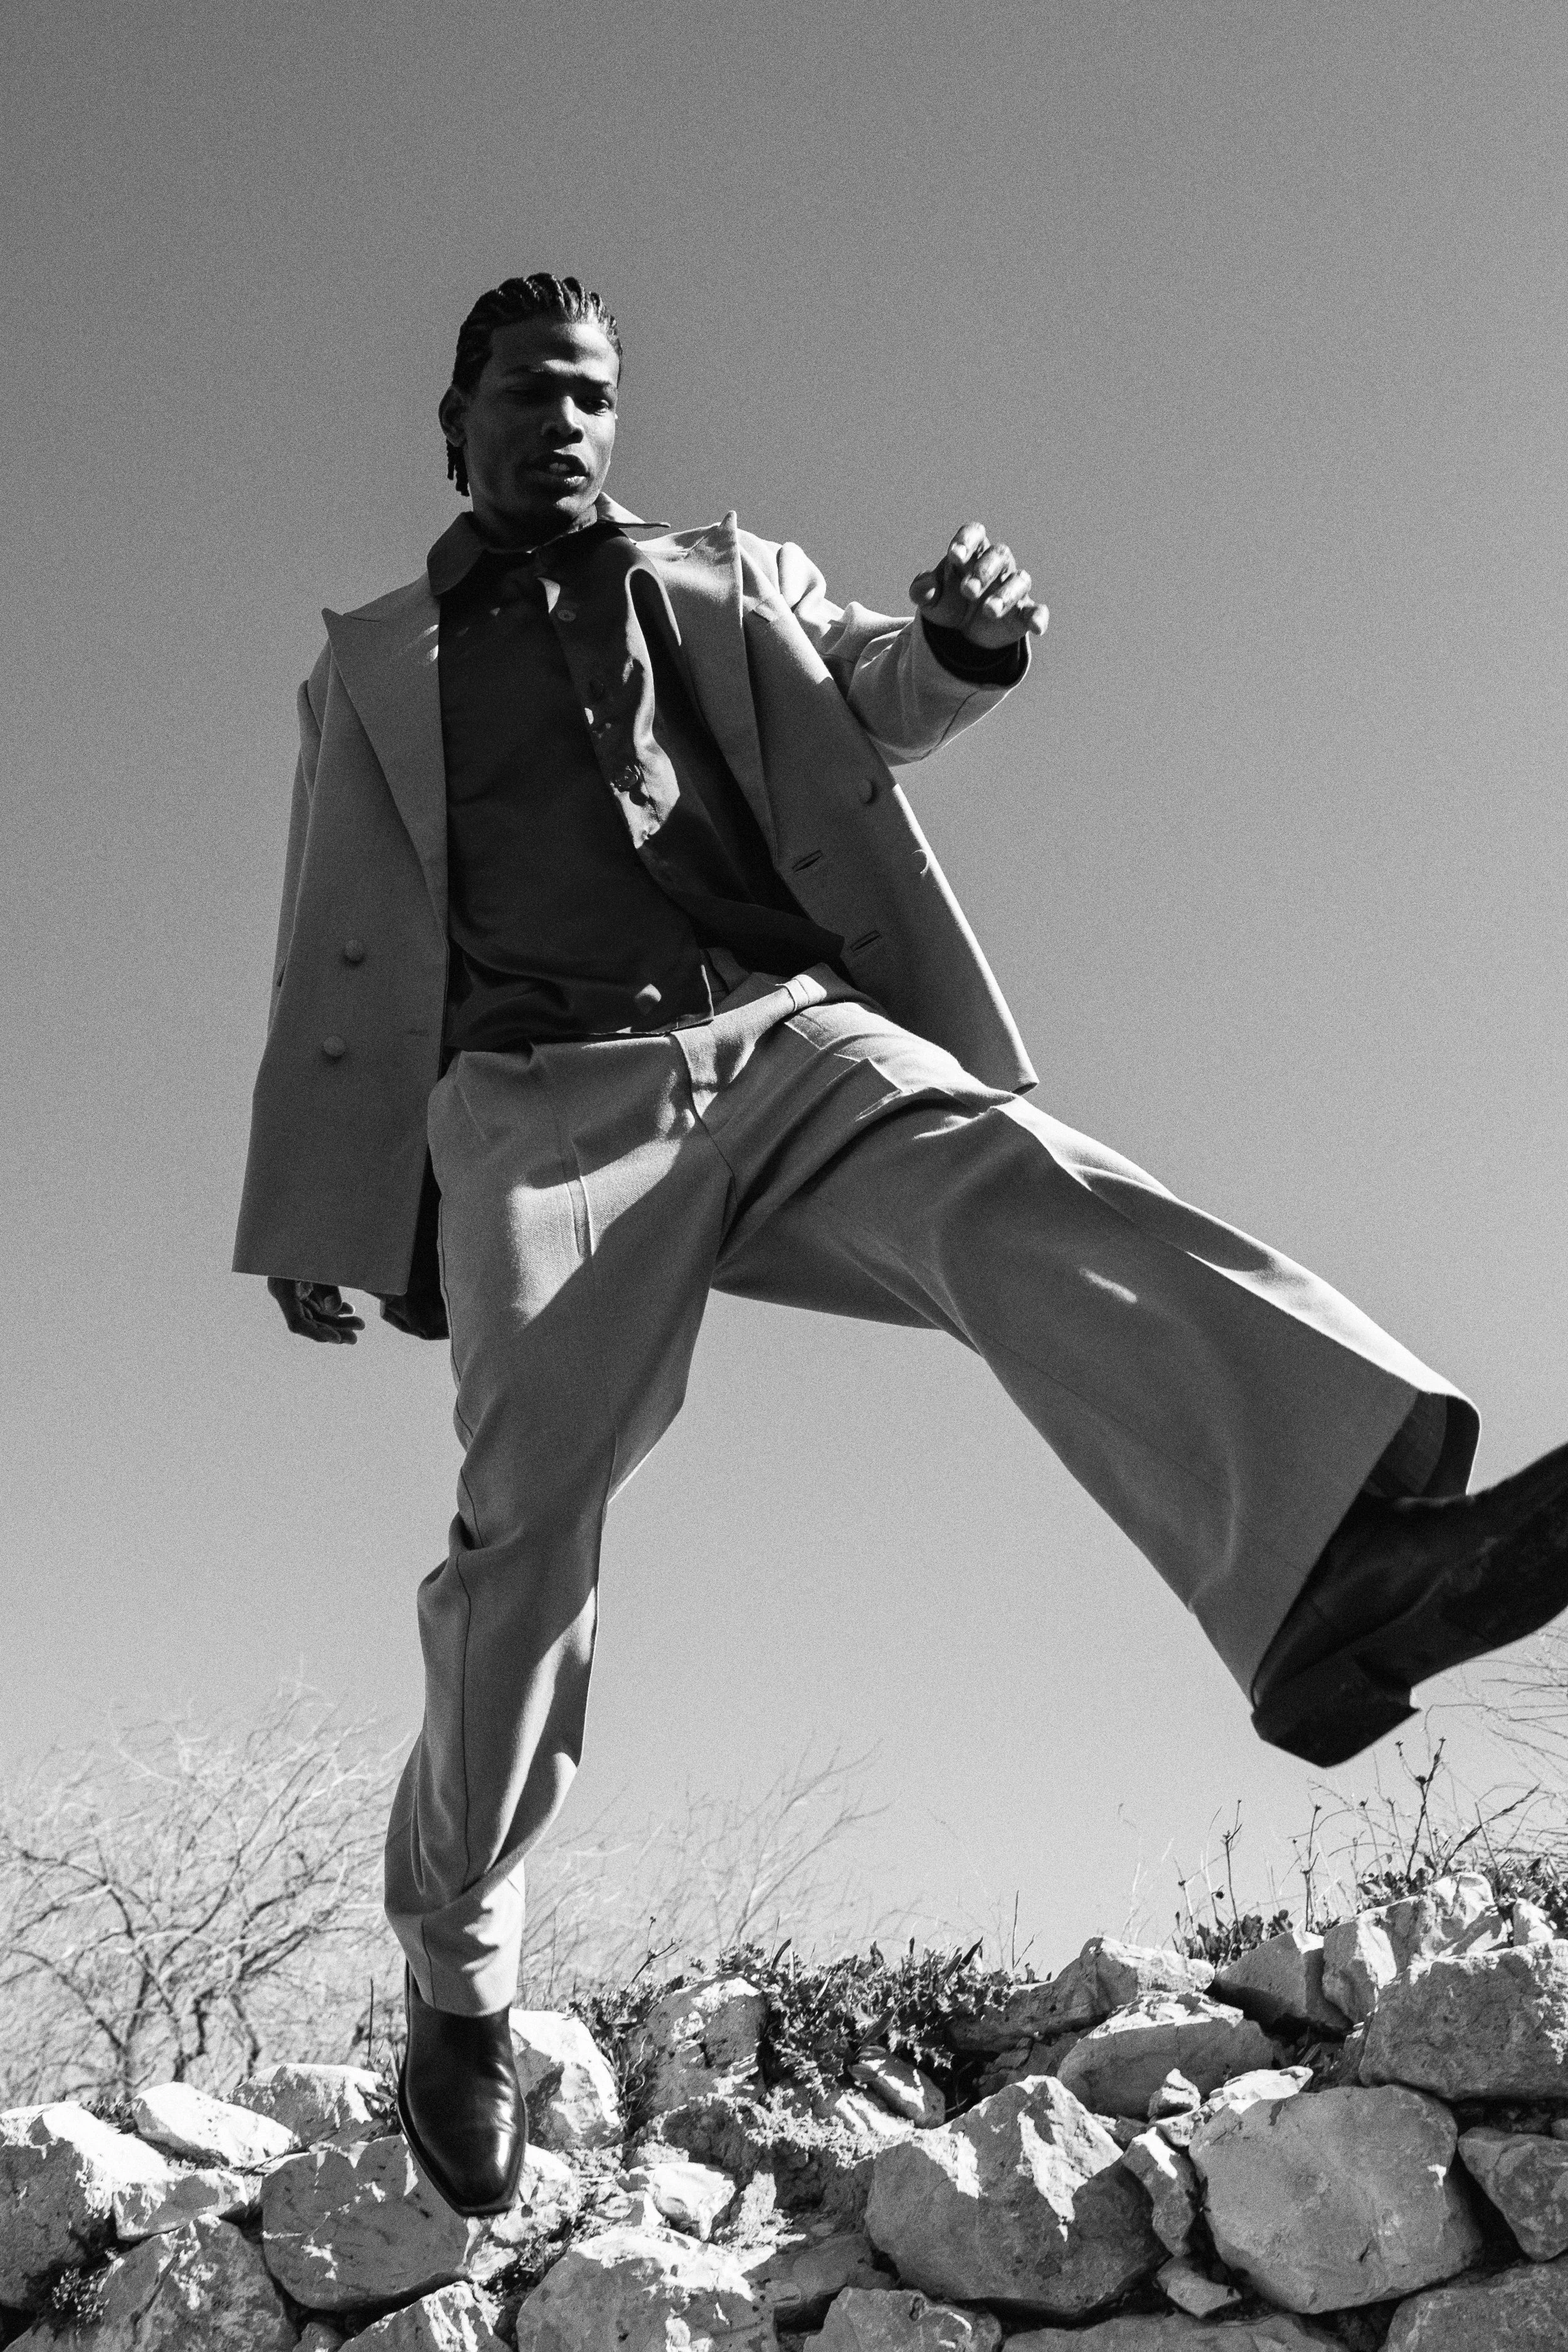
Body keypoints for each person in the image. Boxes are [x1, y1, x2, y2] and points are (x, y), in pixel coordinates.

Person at [234, 271, 1568, 2219]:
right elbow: (335, 942)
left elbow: (869, 686)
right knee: (528, 1519)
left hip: (776, 1038)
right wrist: (321, 1196)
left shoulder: (716, 575)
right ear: (456, 423)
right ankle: (460, 1962)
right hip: (539, 1102)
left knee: (1006, 1177)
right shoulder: (376, 665)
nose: (566, 422)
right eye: (527, 393)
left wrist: (958, 643)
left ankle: (1336, 1572)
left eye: (594, 394)